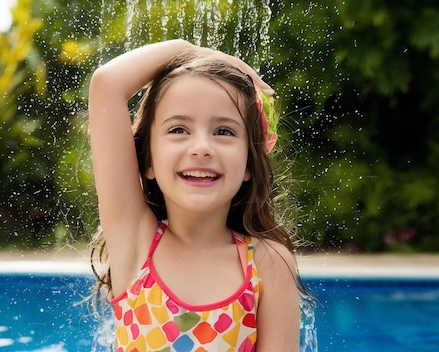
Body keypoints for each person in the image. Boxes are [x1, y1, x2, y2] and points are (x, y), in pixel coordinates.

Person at [88, 39, 301, 351]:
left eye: (224, 132)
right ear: (148, 160)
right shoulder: (136, 240)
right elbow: (106, 83)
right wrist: (199, 52)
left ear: (249, 163)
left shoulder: (268, 264)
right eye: (179, 130)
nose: (201, 147)